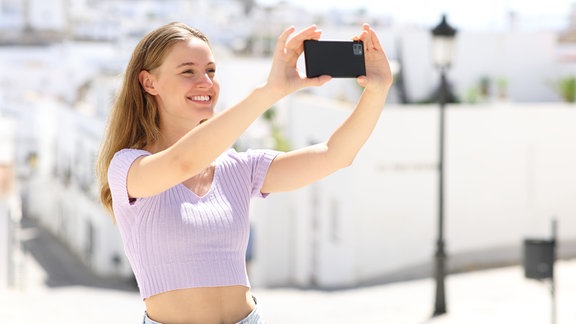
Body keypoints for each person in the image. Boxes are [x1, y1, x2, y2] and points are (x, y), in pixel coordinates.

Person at [96, 21, 392, 324]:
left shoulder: (237, 168)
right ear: (148, 82)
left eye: (211, 71)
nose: (206, 82)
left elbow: (335, 155)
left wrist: (378, 89)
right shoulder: (128, 167)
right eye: (188, 71)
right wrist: (270, 91)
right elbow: (181, 163)